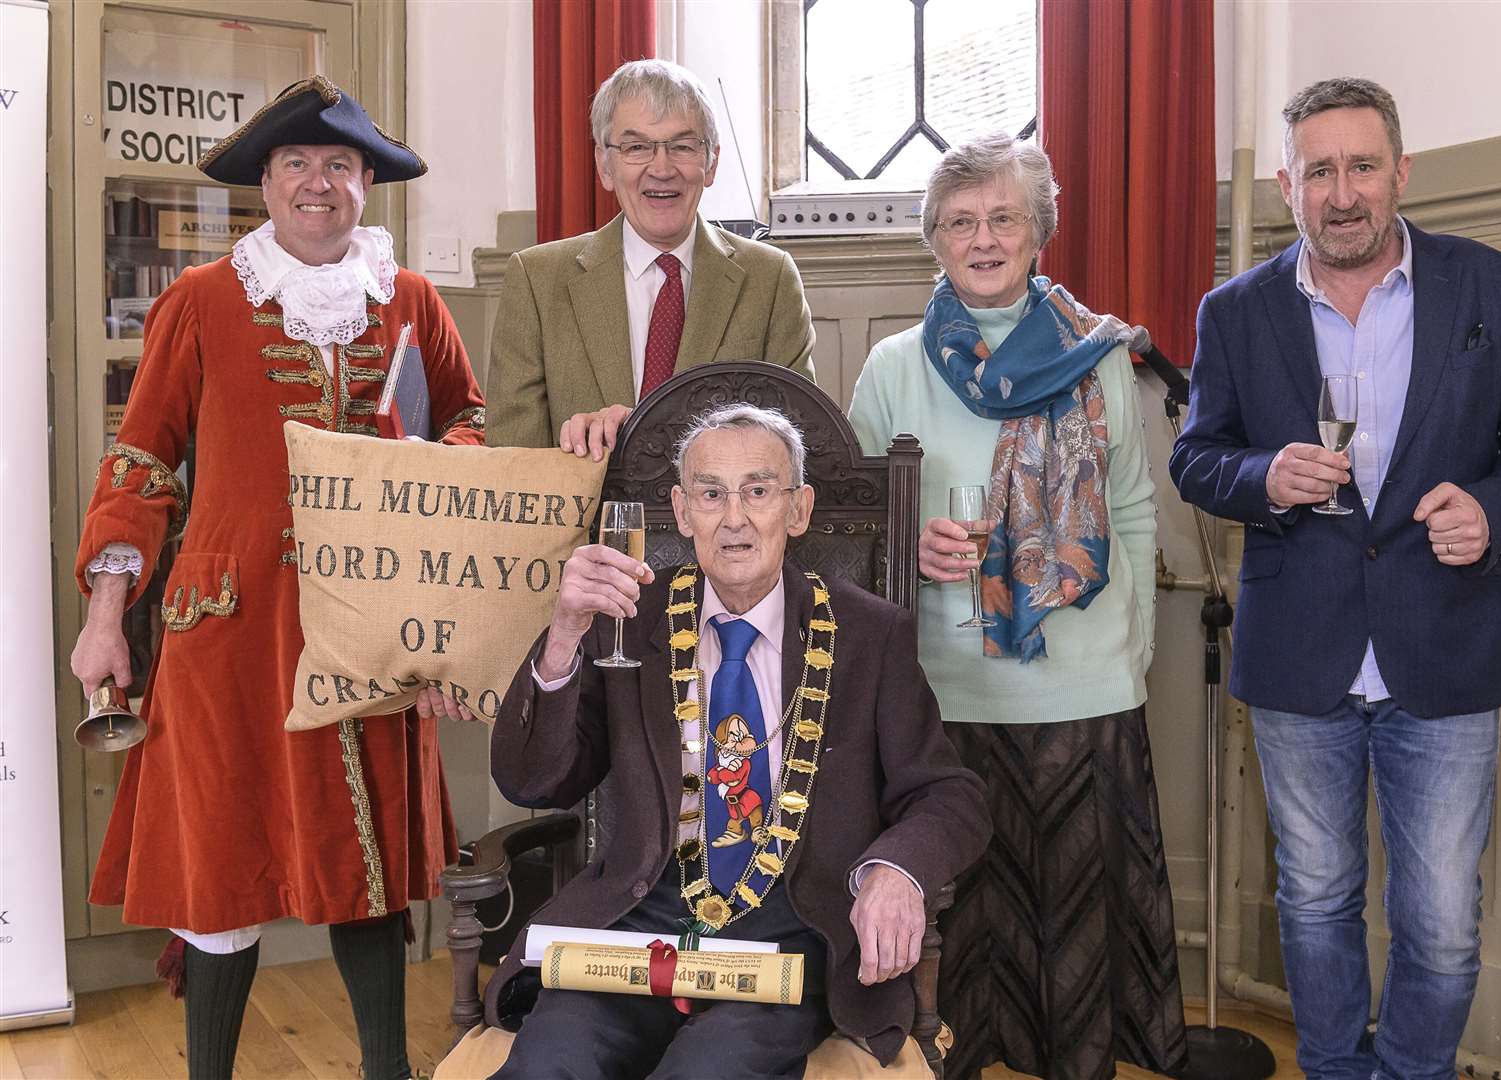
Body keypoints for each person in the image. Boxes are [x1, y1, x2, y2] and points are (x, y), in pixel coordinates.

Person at [67, 77, 486, 1080]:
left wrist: (452, 465)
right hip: (232, 634)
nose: (318, 183)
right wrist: (106, 610)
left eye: (339, 165)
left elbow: (462, 417)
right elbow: (141, 465)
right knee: (224, 868)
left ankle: (385, 1069)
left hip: (375, 625)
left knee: (369, 865)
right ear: (265, 182)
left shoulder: (411, 302)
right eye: (297, 164)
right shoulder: (202, 301)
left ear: (367, 187)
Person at [1169, 77, 1501, 1080]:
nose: (1342, 192)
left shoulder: (1491, 286)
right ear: (1287, 183)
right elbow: (1196, 458)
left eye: (1362, 167)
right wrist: (1266, 475)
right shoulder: (1235, 310)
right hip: (1298, 657)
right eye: (1320, 171)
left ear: (1401, 173)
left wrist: (1495, 509)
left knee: (1440, 924)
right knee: (1315, 904)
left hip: (1443, 651)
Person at [471, 403, 989, 1076]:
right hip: (637, 933)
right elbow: (532, 782)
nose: (734, 517)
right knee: (546, 1065)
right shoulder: (626, 625)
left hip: (785, 938)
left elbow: (948, 794)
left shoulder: (869, 635)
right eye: (711, 494)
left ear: (797, 509)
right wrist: (564, 634)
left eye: (758, 490)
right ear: (683, 514)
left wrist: (895, 871)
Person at [847, 133, 1185, 1080]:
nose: (983, 238)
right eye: (961, 221)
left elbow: (1128, 511)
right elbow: (852, 523)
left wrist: (1135, 653)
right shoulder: (891, 368)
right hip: (940, 687)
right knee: (959, 936)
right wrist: (905, 545)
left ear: (1038, 231)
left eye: (1002, 218)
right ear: (935, 240)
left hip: (1085, 682)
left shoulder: (1099, 358)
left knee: (1077, 923)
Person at [486, 58, 815, 459]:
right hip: (585, 521)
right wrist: (580, 450)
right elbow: (514, 467)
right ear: (605, 166)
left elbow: (798, 448)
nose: (661, 168)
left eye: (682, 146)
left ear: (711, 163)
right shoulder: (536, 281)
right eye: (636, 147)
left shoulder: (770, 279)